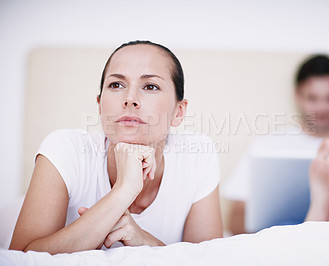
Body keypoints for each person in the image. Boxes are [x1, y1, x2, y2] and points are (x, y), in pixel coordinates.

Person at [9, 40, 223, 254]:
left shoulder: (198, 157)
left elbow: (208, 260)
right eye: (116, 85)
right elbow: (20, 258)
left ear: (179, 112)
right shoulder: (65, 149)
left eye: (150, 86)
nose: (130, 99)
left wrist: (143, 240)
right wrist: (123, 192)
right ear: (100, 105)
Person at [222, 55, 329, 236]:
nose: (322, 107)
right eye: (313, 98)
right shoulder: (265, 148)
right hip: (281, 239)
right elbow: (237, 214)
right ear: (297, 95)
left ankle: (325, 223)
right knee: (287, 234)